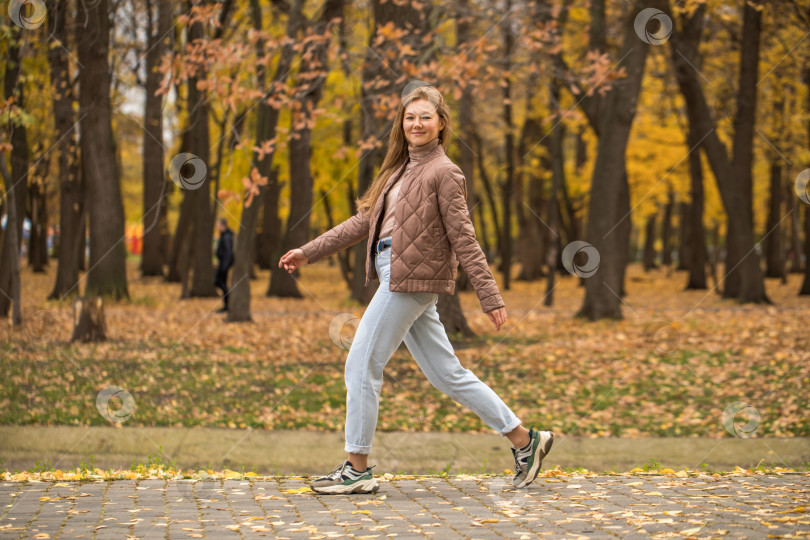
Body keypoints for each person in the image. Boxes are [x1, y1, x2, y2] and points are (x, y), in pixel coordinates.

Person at [278, 82, 553, 495]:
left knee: (361, 363)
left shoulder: (445, 172)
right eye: (410, 117)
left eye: (426, 116)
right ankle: (525, 440)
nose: (417, 123)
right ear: (401, 124)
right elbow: (362, 224)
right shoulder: (398, 170)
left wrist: (489, 296)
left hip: (407, 279)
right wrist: (308, 251)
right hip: (400, 272)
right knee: (448, 374)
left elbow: (464, 238)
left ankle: (357, 468)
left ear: (441, 124)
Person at [215, 218, 234, 313]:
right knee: (218, 282)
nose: (216, 226)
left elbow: (228, 253)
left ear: (222, 225)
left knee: (221, 283)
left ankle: (227, 305)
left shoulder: (226, 236)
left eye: (217, 224)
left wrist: (225, 266)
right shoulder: (224, 235)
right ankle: (226, 304)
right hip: (222, 263)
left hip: (224, 265)